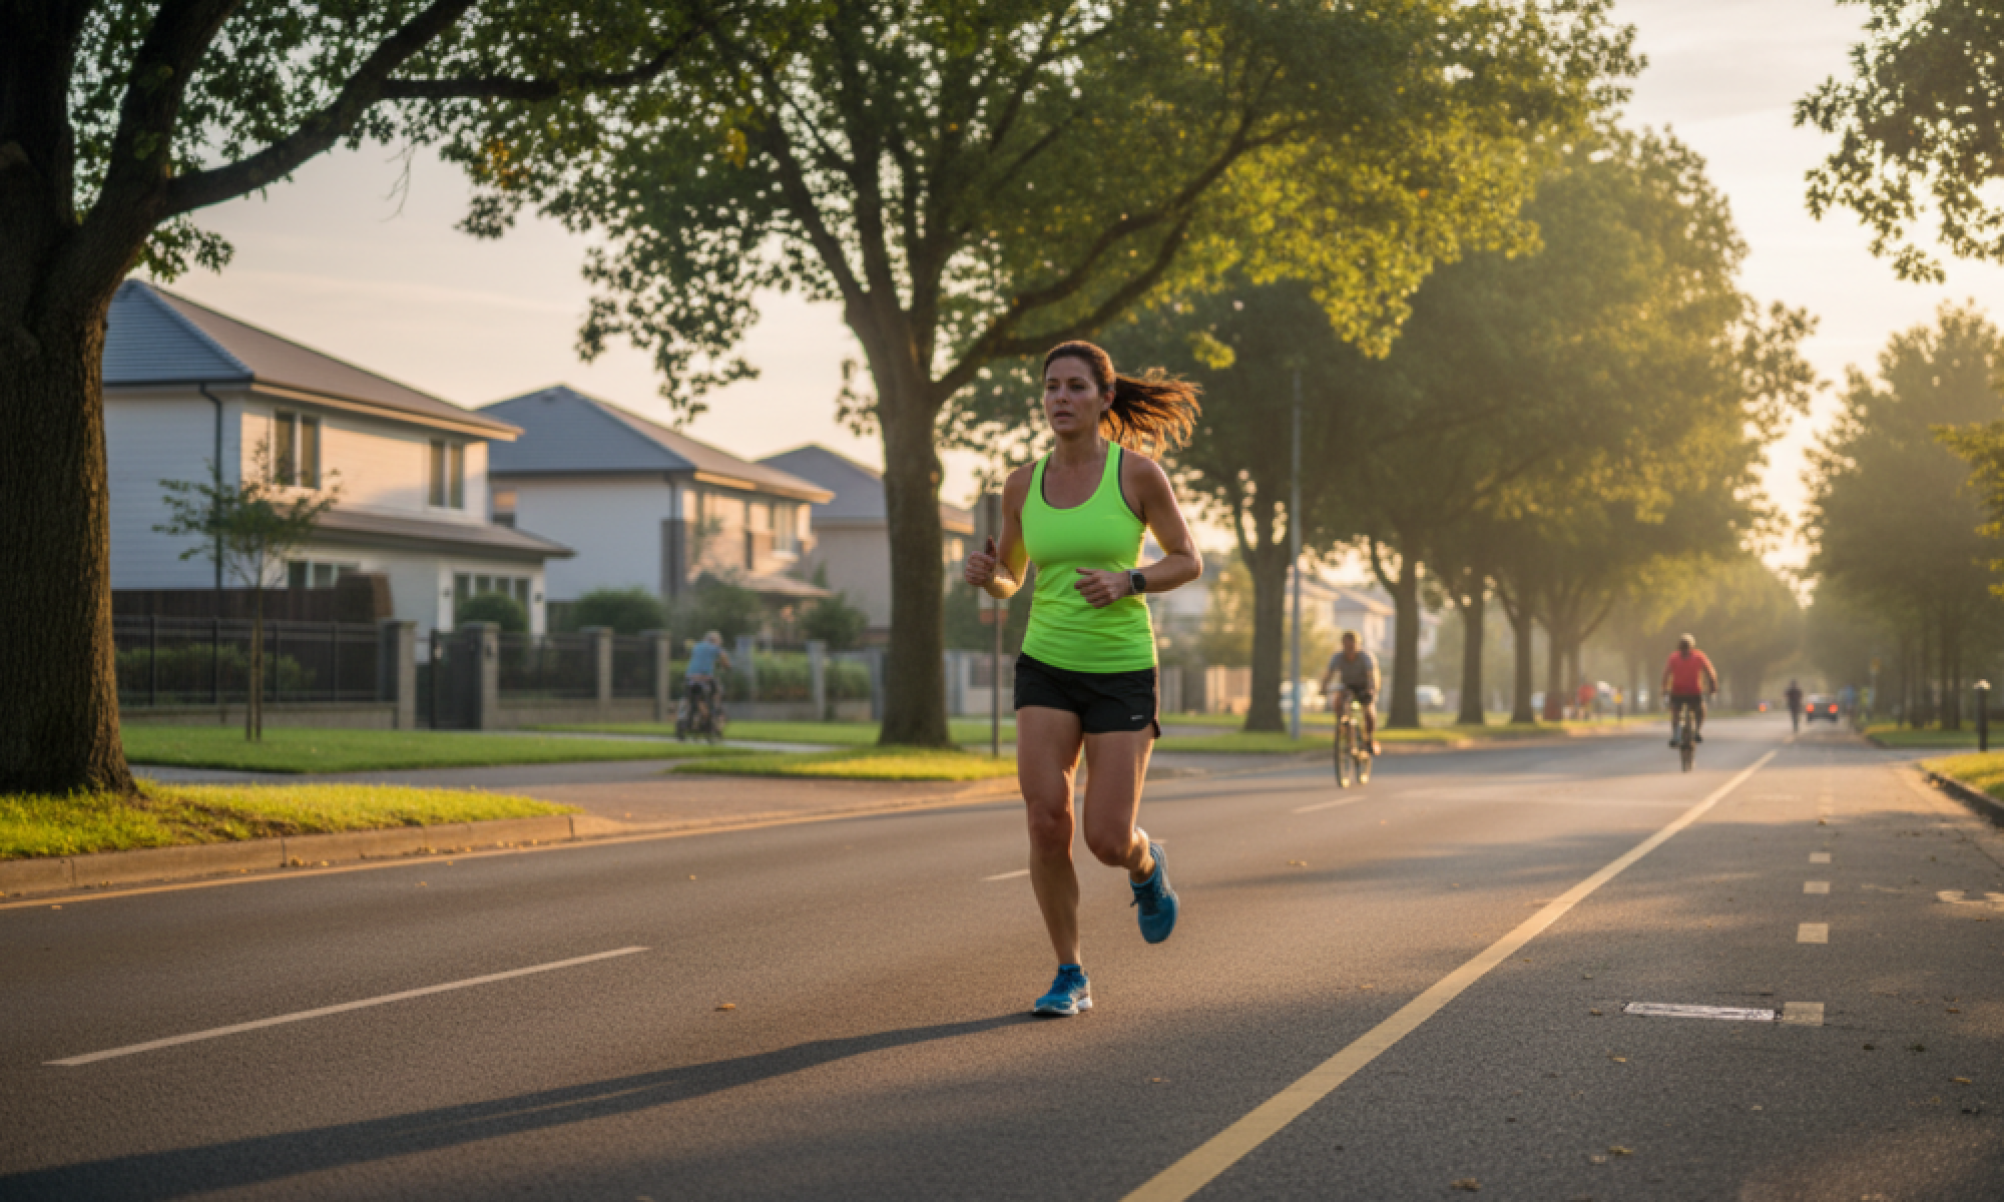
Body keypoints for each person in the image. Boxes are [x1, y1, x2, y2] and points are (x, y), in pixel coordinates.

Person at [963, 340, 1204, 1018]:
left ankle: (1146, 866)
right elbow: (1011, 577)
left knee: (1105, 838)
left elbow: (1187, 560)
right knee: (1046, 821)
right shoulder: (1021, 484)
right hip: (1046, 665)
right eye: (1050, 388)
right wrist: (993, 580)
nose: (1059, 398)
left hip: (1121, 670)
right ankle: (1070, 972)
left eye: (1074, 387)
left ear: (1103, 398)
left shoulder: (1138, 477)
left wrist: (1130, 580)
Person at [1318, 632, 1381, 756]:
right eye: (1347, 646)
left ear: (1358, 645)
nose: (1349, 650)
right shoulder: (1338, 657)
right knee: (1339, 701)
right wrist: (1323, 688)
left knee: (1368, 709)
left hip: (1364, 686)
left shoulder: (1365, 657)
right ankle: (1345, 730)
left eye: (1352, 646)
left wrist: (1371, 689)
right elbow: (1329, 674)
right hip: (1348, 686)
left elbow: (1371, 675)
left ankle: (1369, 738)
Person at [1661, 634, 1719, 746]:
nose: (1684, 651)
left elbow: (1666, 674)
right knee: (1694, 710)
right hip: (1688, 691)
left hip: (1685, 691)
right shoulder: (1697, 656)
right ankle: (1694, 731)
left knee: (1677, 712)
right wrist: (1713, 687)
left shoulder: (1676, 657)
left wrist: (1664, 689)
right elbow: (1710, 672)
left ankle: (1680, 734)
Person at [684, 631, 731, 727]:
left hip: (690, 677)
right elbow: (724, 658)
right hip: (704, 678)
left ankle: (696, 713)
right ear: (716, 641)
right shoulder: (715, 647)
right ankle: (714, 713)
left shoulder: (697, 646)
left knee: (694, 697)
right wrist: (727, 666)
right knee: (716, 692)